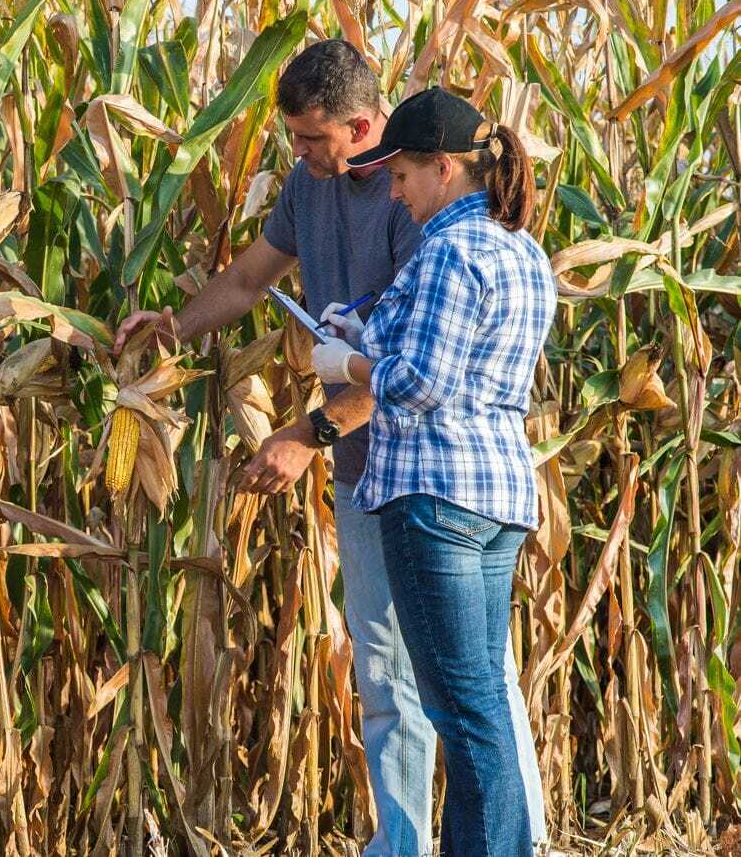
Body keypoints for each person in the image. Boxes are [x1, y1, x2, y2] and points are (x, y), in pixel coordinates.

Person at [113, 42, 546, 855]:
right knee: (388, 674)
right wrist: (170, 328)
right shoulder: (311, 190)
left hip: (424, 477)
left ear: (361, 125)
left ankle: (514, 842)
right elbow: (246, 281)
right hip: (374, 475)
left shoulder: (423, 210)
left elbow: (416, 371)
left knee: (470, 687)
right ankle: (404, 842)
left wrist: (310, 429)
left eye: (313, 140)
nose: (301, 156)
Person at [310, 87, 557, 857]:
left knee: (463, 711)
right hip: (498, 498)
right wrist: (360, 327)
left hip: (434, 498)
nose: (394, 190)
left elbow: (422, 383)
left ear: (442, 168)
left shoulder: (448, 251)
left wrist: (342, 360)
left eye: (403, 176)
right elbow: (452, 355)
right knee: (482, 700)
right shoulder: (518, 249)